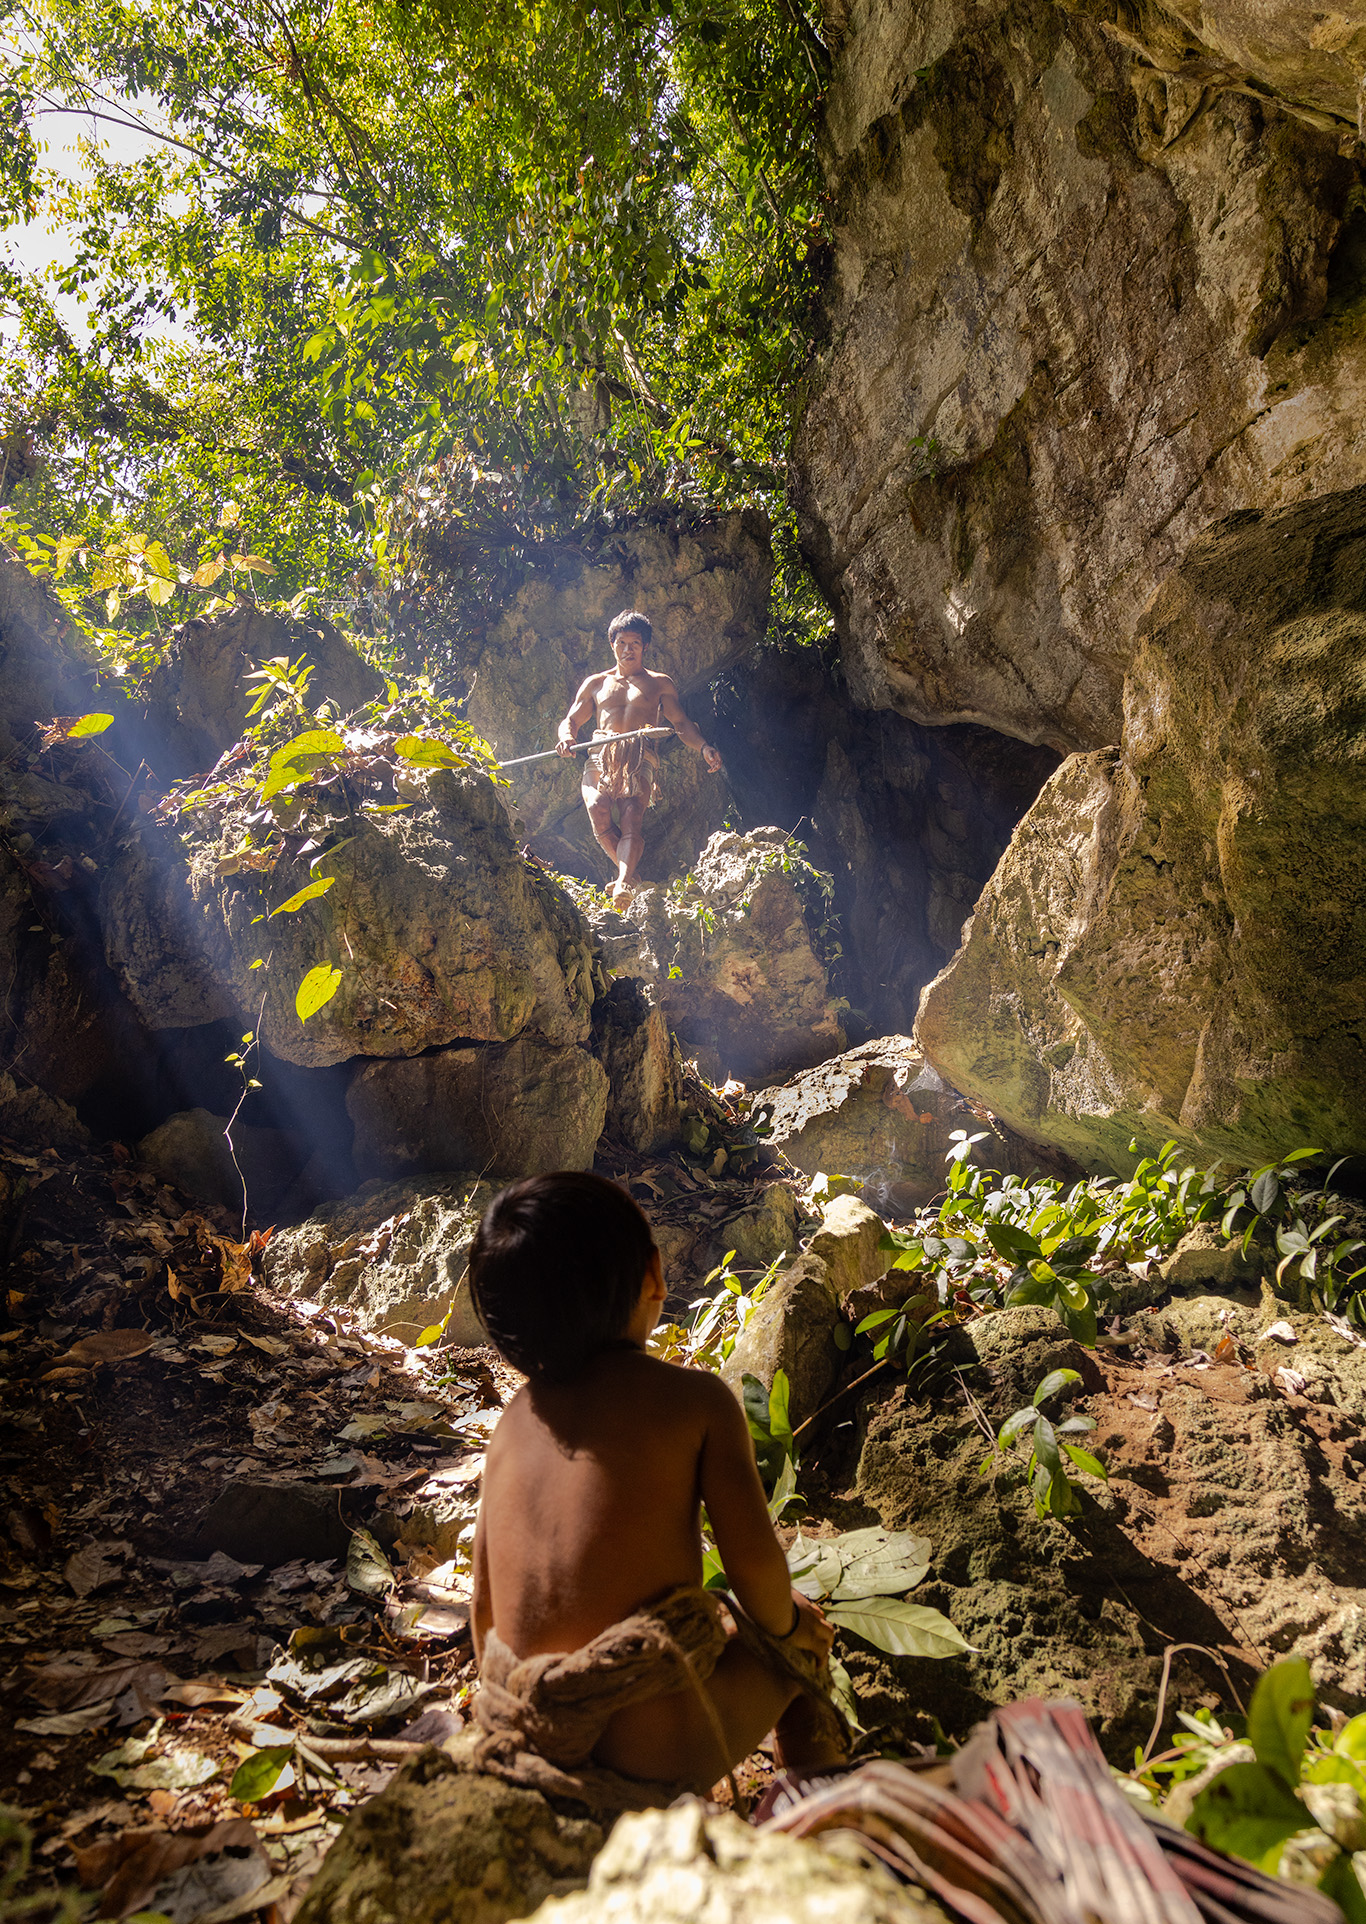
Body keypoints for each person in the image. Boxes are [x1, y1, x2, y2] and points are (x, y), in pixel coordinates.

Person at [467, 1171, 848, 1811]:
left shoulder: (512, 1423)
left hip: (530, 1732)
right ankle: (822, 1833)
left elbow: (484, 1619)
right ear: (654, 1275)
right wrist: (790, 1627)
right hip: (649, 1756)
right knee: (801, 1656)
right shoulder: (696, 1402)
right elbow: (755, 1569)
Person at [556, 610, 723, 909]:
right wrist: (567, 739)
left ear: (645, 647)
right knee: (597, 808)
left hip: (640, 755)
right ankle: (631, 878)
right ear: (612, 644)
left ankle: (622, 884)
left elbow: (681, 724)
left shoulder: (659, 684)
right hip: (600, 753)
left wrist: (703, 747)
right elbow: (571, 721)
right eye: (622, 642)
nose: (628, 649)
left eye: (635, 643)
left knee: (632, 817)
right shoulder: (596, 683)